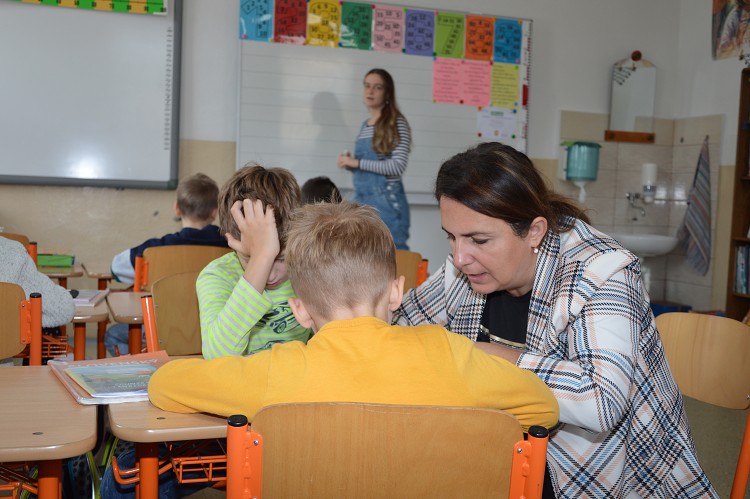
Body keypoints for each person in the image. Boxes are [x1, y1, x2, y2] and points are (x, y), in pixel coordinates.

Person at [393, 142, 717, 498]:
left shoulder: (602, 271)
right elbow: (402, 324)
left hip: (612, 475)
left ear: (534, 231)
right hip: (507, 455)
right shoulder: (467, 267)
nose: (459, 257)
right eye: (451, 238)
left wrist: (480, 356)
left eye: (479, 240)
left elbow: (602, 402)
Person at [148, 201, 559, 435]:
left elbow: (165, 385)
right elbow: (543, 408)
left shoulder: (276, 372)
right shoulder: (448, 353)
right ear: (396, 291)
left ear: (299, 309)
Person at [105, 173, 228, 356]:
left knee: (112, 335)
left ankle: (147, 367)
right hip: (218, 330)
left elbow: (116, 268)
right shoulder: (231, 247)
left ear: (177, 208)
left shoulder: (155, 249)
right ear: (215, 212)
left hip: (164, 331)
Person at [199, 164, 312, 359]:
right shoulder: (217, 275)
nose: (270, 275)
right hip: (242, 378)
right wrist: (262, 256)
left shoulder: (309, 270)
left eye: (281, 258)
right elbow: (217, 357)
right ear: (232, 241)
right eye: (251, 257)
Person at [336, 68, 411, 250]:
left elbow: (397, 166)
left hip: (387, 201)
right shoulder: (366, 125)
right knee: (363, 254)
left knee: (392, 252)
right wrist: (350, 164)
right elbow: (369, 167)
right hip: (362, 200)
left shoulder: (397, 122)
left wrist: (357, 163)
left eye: (377, 87)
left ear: (387, 92)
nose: (370, 91)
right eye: (367, 86)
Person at [0, 236, 74, 329]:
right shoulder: (13, 252)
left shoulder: (12, 252)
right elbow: (64, 310)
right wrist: (25, 323)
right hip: (13, 332)